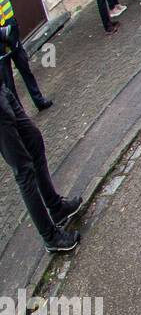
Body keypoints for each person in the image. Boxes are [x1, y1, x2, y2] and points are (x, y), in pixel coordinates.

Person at [0, 81, 81, 252]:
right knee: (23, 171)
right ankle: (50, 237)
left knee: (34, 141)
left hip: (2, 91)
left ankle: (57, 208)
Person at [0, 0, 53, 110]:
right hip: (0, 37)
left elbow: (8, 0)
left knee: (25, 68)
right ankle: (19, 113)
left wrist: (13, 26)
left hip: (11, 30)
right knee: (8, 81)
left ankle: (39, 100)